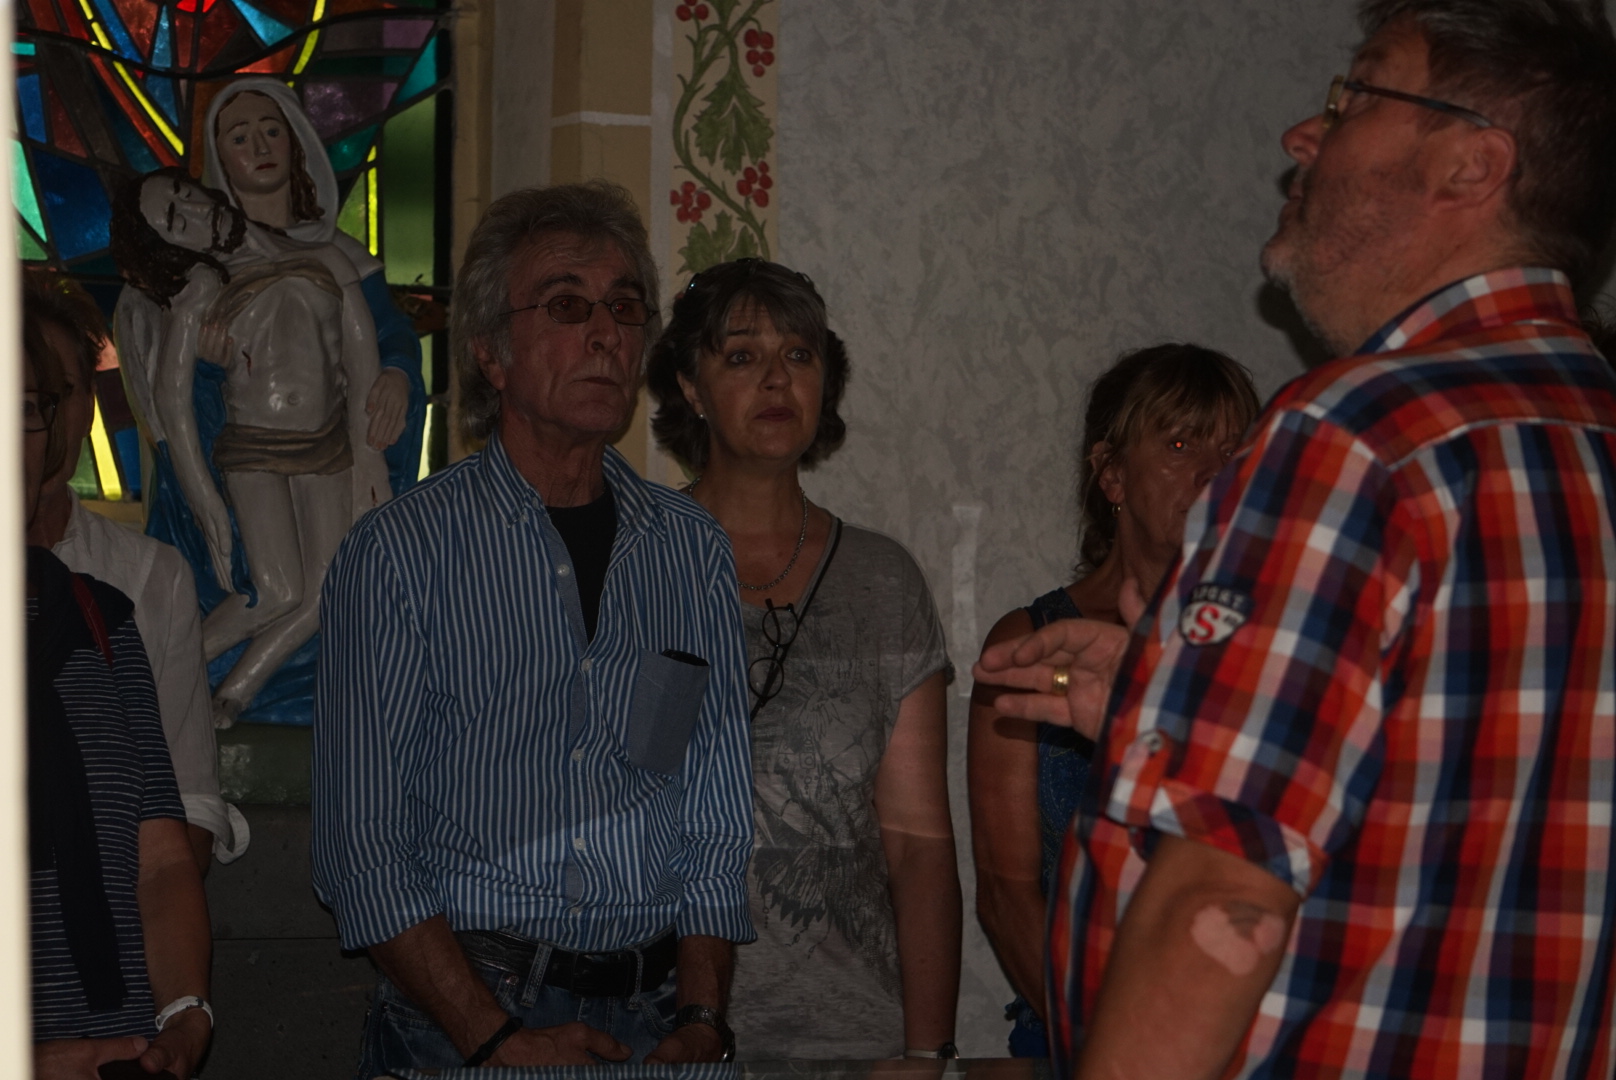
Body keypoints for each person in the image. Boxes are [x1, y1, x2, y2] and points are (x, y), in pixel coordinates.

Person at [976, 2, 1616, 1078]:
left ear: (1471, 165)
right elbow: (1479, 792)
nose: (1302, 134)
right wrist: (1164, 703)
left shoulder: (1354, 435)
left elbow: (1221, 895)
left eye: (1355, 96)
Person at [311, 182, 755, 1078]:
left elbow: (714, 814)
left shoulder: (692, 551)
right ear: (491, 351)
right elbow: (362, 851)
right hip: (465, 1019)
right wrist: (495, 1039)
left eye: (624, 307)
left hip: (658, 1021)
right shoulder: (401, 553)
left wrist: (705, 1017)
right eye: (566, 306)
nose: (606, 334)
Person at [646, 258, 962, 1060]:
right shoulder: (636, 563)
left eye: (798, 354)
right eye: (742, 355)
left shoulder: (884, 579)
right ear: (690, 388)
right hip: (658, 1032)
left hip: (852, 1034)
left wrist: (927, 1055)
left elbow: (919, 845)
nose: (776, 379)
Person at [968, 343, 1258, 1057]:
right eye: (1181, 444)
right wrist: (1112, 1045)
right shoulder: (1037, 644)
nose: (1212, 471)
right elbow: (1006, 894)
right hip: (1080, 1032)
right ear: (1112, 474)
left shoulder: (1274, 643)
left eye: (1233, 450)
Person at [110, 167, 394, 726]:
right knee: (276, 590)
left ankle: (236, 691)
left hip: (328, 444)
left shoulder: (327, 256)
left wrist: (371, 460)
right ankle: (150, 676)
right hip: (255, 446)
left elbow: (363, 363)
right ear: (172, 248)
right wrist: (205, 500)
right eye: (176, 222)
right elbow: (170, 399)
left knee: (324, 593)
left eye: (186, 194)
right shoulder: (201, 288)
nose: (196, 212)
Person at [25, 278, 214, 1080]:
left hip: (119, 1039)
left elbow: (165, 846)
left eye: (39, 405)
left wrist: (183, 1015)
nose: (34, 432)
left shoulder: (105, 613)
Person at [23, 272, 249, 875]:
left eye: (62, 394)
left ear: (89, 406)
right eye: (26, 404)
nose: (46, 427)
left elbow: (191, 803)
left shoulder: (148, 579)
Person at [199, 76, 424, 497]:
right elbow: (185, 381)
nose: (260, 149)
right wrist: (208, 365)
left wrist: (397, 373)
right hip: (249, 458)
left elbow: (390, 330)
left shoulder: (343, 255)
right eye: (240, 138)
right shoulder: (212, 267)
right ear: (220, 159)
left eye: (272, 131)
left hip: (335, 455)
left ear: (296, 141)